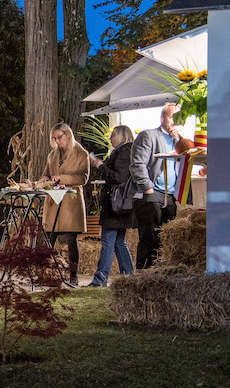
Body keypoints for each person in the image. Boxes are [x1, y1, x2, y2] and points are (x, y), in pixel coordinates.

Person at [38, 123, 89, 287]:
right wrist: (44, 179)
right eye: (54, 138)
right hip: (53, 200)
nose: (57, 141)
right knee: (49, 238)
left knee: (71, 239)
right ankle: (45, 275)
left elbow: (83, 178)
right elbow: (46, 173)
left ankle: (73, 276)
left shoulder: (81, 154)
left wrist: (62, 178)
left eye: (59, 137)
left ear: (68, 135)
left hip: (70, 202)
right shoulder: (52, 155)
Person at [130, 103, 181, 270]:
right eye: (171, 117)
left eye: (179, 118)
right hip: (152, 195)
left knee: (168, 242)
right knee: (149, 239)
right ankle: (143, 277)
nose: (175, 121)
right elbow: (137, 164)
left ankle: (163, 278)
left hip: (171, 196)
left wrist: (179, 141)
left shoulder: (180, 141)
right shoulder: (148, 135)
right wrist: (148, 190)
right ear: (162, 118)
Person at [86, 125, 136, 287]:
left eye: (113, 135)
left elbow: (118, 177)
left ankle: (100, 280)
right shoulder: (124, 151)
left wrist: (100, 165)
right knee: (118, 241)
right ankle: (128, 276)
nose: (110, 139)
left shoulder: (123, 153)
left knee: (108, 241)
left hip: (116, 204)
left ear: (121, 136)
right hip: (120, 203)